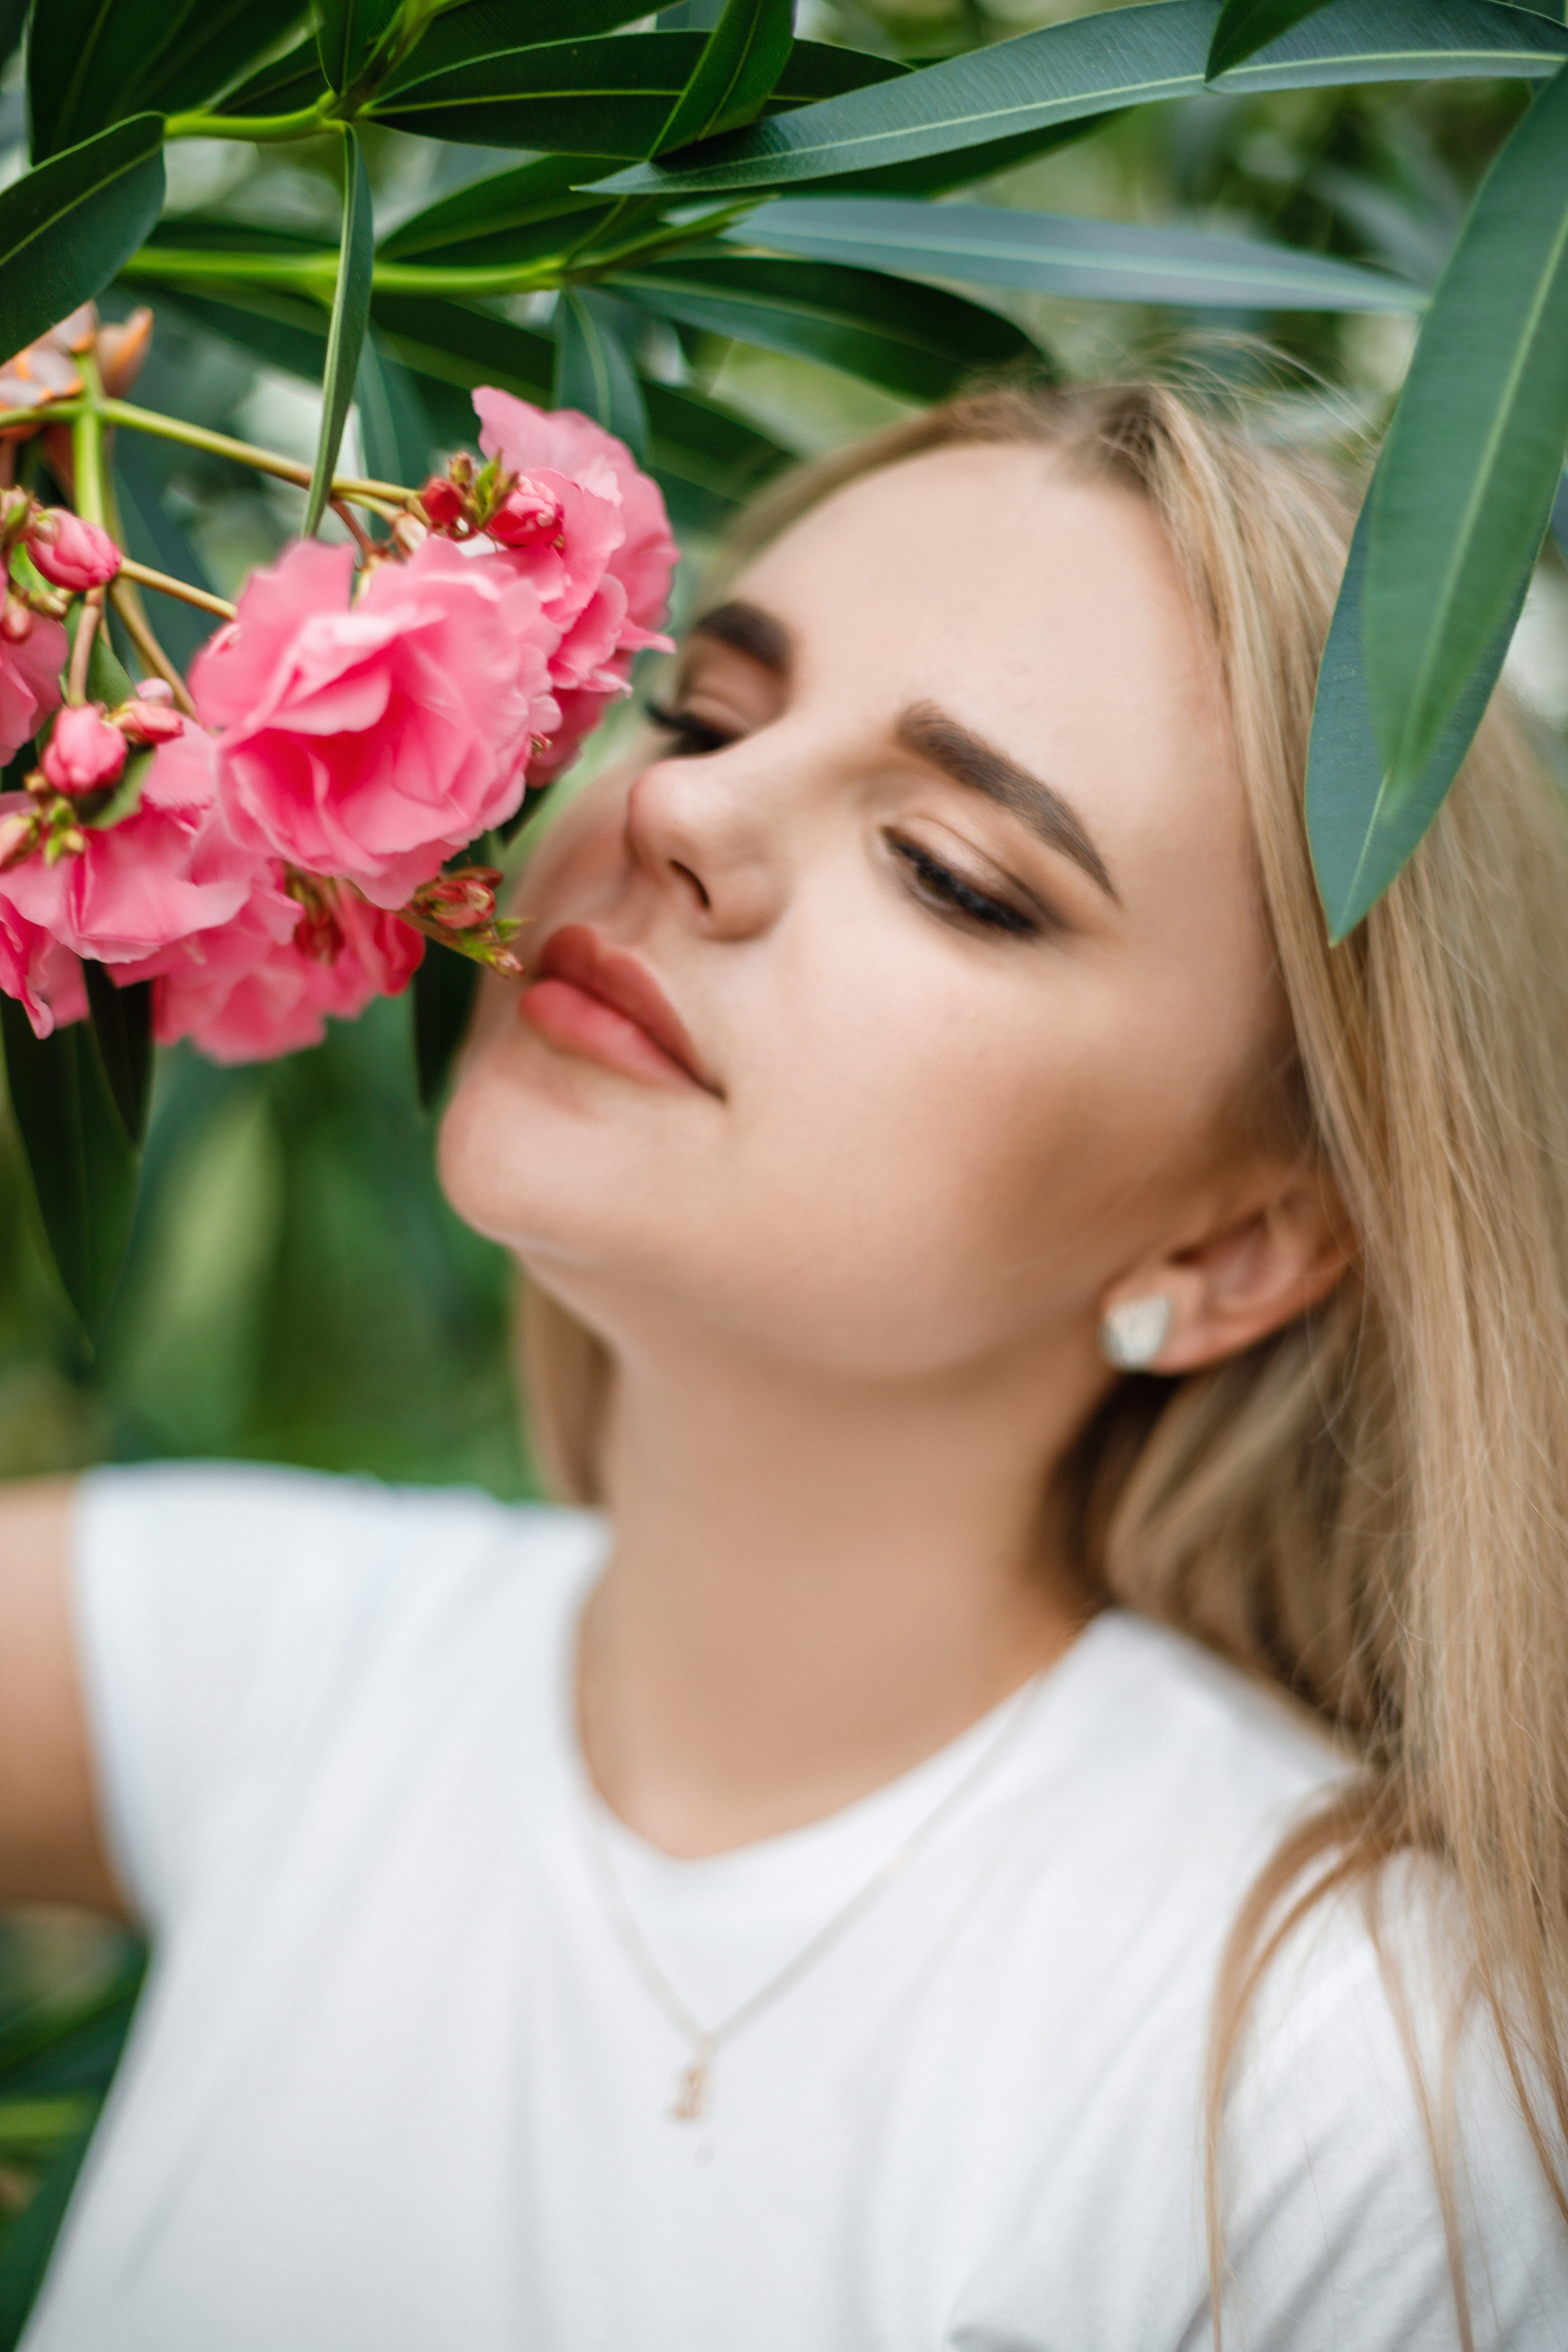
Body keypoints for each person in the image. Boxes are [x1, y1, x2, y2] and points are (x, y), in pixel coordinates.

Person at [1, 377, 1565, 2350]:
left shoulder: (1345, 2080)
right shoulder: (296, 1663)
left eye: (951, 870)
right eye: (704, 712)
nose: (678, 807)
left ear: (1229, 1245)